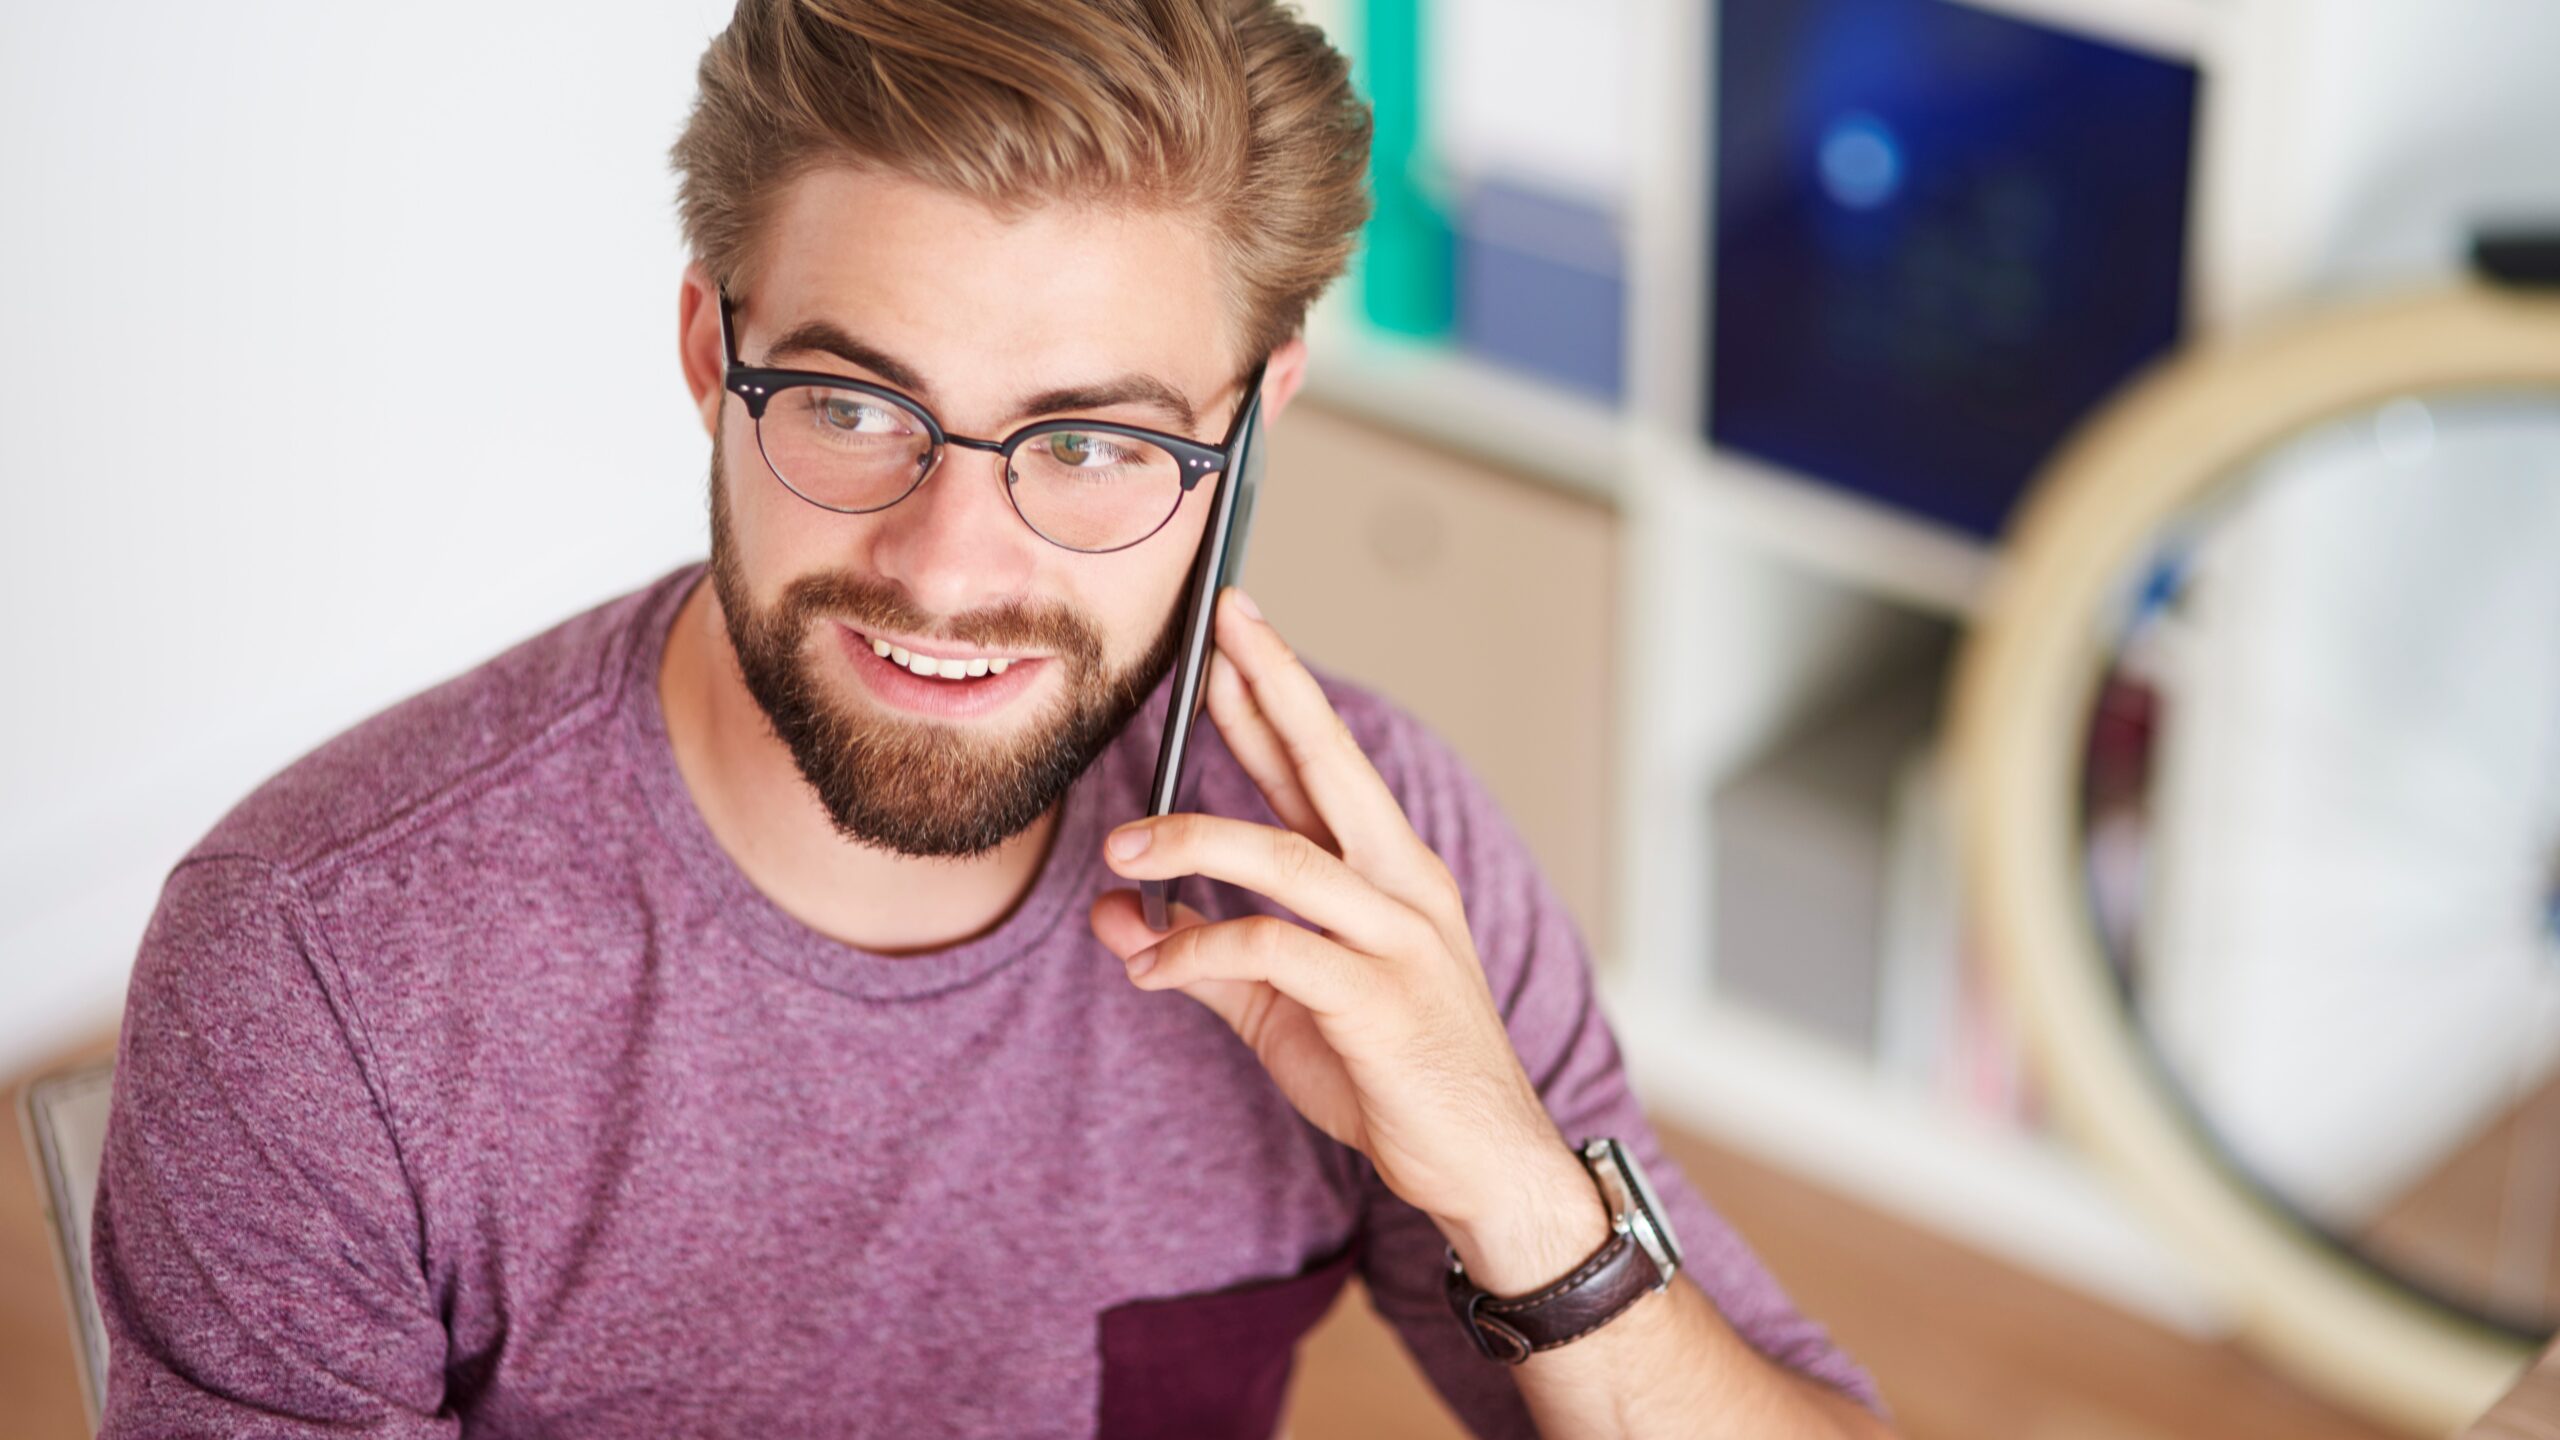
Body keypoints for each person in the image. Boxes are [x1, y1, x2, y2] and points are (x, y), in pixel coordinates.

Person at [89, 2, 1888, 1435]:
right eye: (857, 410)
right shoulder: (321, 969)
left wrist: (1518, 1195)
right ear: (714, 346)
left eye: (1096, 444)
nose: (950, 569)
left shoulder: (1355, 867)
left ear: (1252, 425)